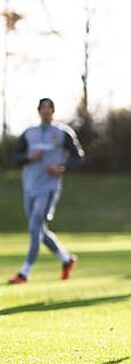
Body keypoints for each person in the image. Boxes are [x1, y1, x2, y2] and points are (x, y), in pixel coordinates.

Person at [8, 98, 84, 284]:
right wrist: (28, 157)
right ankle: (66, 259)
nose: (46, 111)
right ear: (39, 111)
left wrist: (61, 167)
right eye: (43, 107)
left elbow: (79, 158)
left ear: (53, 111)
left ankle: (24, 273)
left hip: (48, 188)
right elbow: (15, 157)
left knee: (35, 227)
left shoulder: (63, 133)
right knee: (39, 229)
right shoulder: (29, 133)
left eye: (49, 108)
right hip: (29, 187)